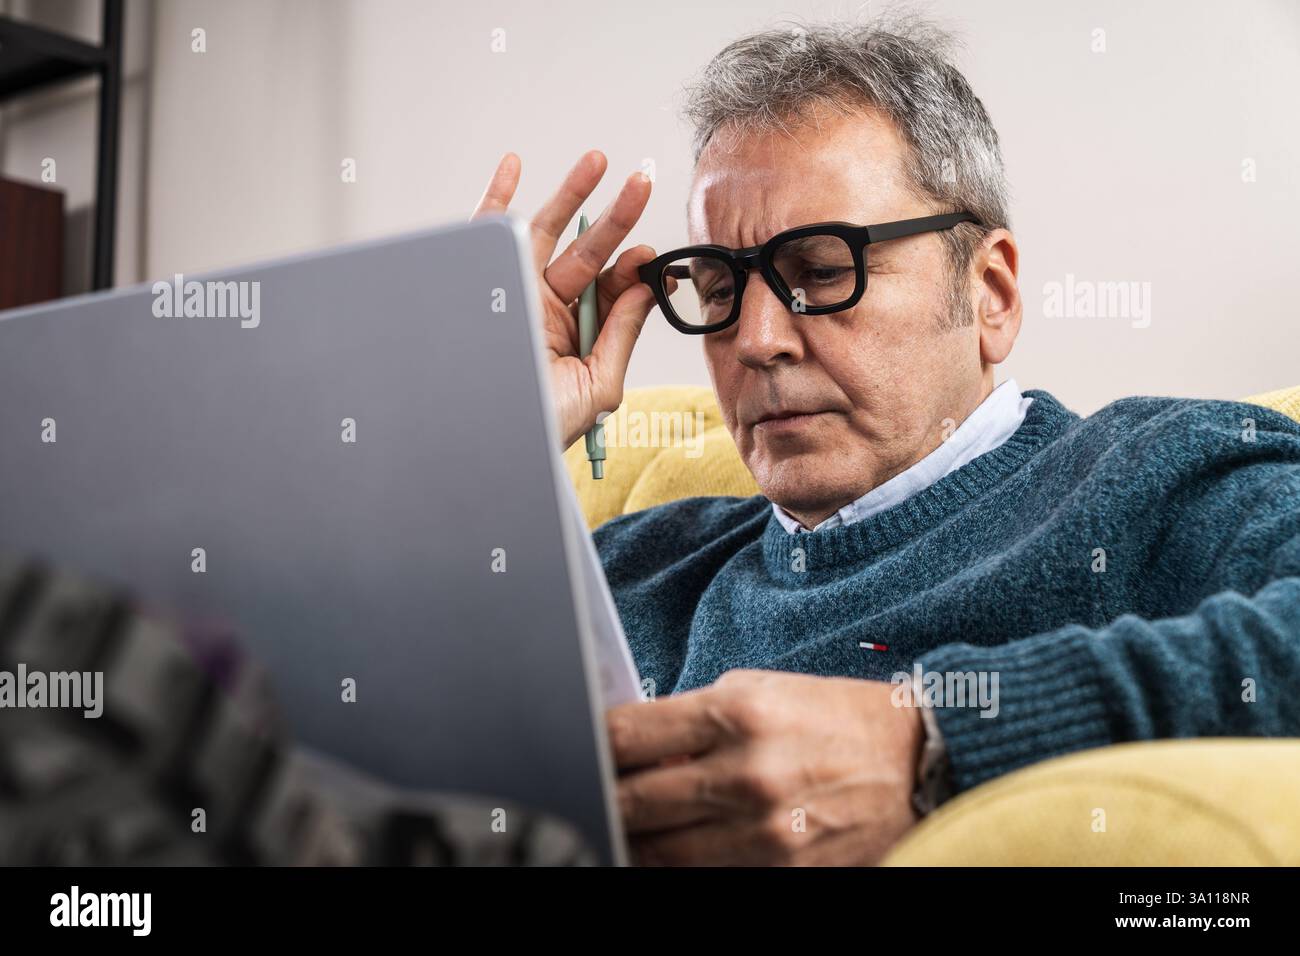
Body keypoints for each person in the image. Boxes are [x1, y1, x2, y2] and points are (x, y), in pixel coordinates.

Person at [469, 18, 1300, 865]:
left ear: (992, 294)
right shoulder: (628, 571)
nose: (756, 339)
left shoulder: (1157, 472)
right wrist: (483, 444)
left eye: (823, 273)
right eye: (720, 286)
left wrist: (935, 745)